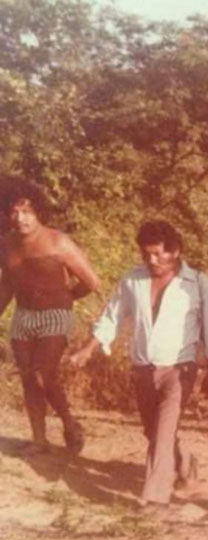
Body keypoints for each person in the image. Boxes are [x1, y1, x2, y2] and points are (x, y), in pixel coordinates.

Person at [71, 220, 208, 511]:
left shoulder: (198, 283)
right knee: (153, 432)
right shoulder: (133, 280)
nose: (151, 260)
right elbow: (112, 316)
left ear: (175, 251)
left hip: (180, 369)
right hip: (142, 368)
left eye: (157, 254)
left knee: (164, 432)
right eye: (146, 254)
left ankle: (155, 498)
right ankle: (183, 463)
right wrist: (88, 349)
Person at [0, 176, 100, 456]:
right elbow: (7, 284)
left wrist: (65, 299)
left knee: (44, 374)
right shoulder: (6, 245)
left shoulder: (59, 242)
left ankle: (70, 423)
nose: (21, 219)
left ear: (38, 213)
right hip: (23, 316)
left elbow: (91, 282)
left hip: (56, 315)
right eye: (14, 212)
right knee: (28, 378)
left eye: (27, 212)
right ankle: (39, 441)